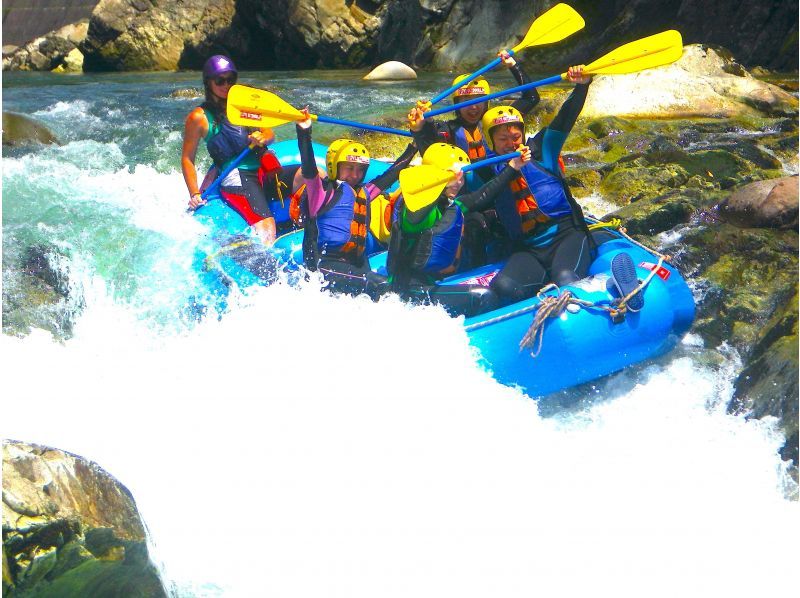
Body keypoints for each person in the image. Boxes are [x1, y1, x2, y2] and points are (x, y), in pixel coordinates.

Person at [478, 64, 621, 304]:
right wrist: (420, 131)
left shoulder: (542, 150)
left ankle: (612, 294)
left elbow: (565, 118)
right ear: (490, 142)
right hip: (528, 247)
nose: (512, 144)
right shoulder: (484, 170)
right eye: (503, 139)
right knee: (504, 287)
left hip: (566, 235)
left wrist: (582, 86)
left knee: (566, 277)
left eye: (515, 137)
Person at [386, 142, 531, 316]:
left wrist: (513, 167)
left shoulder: (450, 205)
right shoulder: (414, 209)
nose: (458, 182)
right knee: (484, 297)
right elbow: (414, 191)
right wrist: (434, 178)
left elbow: (482, 195)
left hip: (431, 283)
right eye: (453, 176)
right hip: (409, 290)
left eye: (461, 177)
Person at [295, 108, 417, 297]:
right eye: (349, 168)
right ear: (334, 166)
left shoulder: (364, 193)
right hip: (324, 268)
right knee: (383, 287)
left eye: (360, 170)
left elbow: (392, 174)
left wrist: (415, 142)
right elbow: (309, 168)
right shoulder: (321, 192)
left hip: (356, 266)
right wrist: (304, 132)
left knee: (392, 284)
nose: (355, 175)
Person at [181, 55, 278, 244]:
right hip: (237, 173)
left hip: (262, 166)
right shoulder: (199, 117)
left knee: (305, 177)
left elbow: (269, 132)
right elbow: (187, 159)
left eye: (230, 80)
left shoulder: (244, 105)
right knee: (267, 226)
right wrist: (194, 193)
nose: (226, 85)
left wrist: (263, 137)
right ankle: (263, 262)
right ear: (208, 83)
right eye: (220, 80)